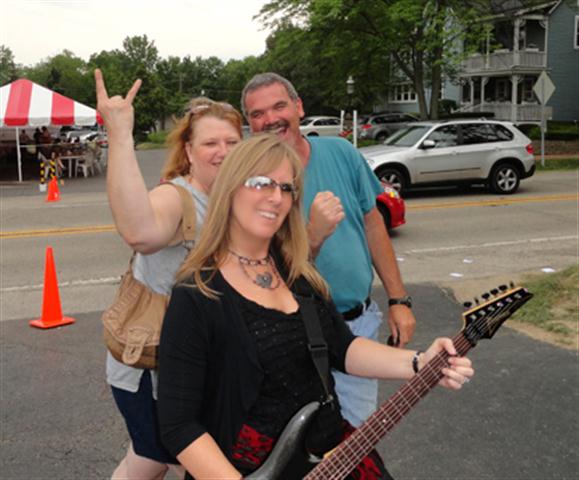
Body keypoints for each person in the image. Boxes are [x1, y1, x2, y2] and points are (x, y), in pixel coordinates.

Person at [157, 134, 474, 480]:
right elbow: (178, 425)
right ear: (231, 187)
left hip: (330, 459)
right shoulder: (197, 294)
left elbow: (343, 348)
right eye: (261, 182)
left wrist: (420, 362)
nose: (276, 197)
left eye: (286, 187)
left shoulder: (296, 273)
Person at [241, 73, 416, 427]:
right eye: (257, 113)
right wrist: (314, 236)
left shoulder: (342, 153)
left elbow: (372, 224)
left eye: (279, 106)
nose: (270, 119)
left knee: (354, 436)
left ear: (299, 107)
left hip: (354, 325)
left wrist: (398, 300)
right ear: (249, 124)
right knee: (294, 441)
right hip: (290, 335)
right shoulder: (250, 184)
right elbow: (268, 276)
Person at [94, 68, 243, 480]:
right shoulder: (179, 197)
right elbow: (140, 232)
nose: (223, 150)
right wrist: (120, 133)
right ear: (189, 151)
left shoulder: (235, 199)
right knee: (162, 458)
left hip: (199, 365)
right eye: (210, 143)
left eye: (232, 141)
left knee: (149, 457)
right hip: (151, 368)